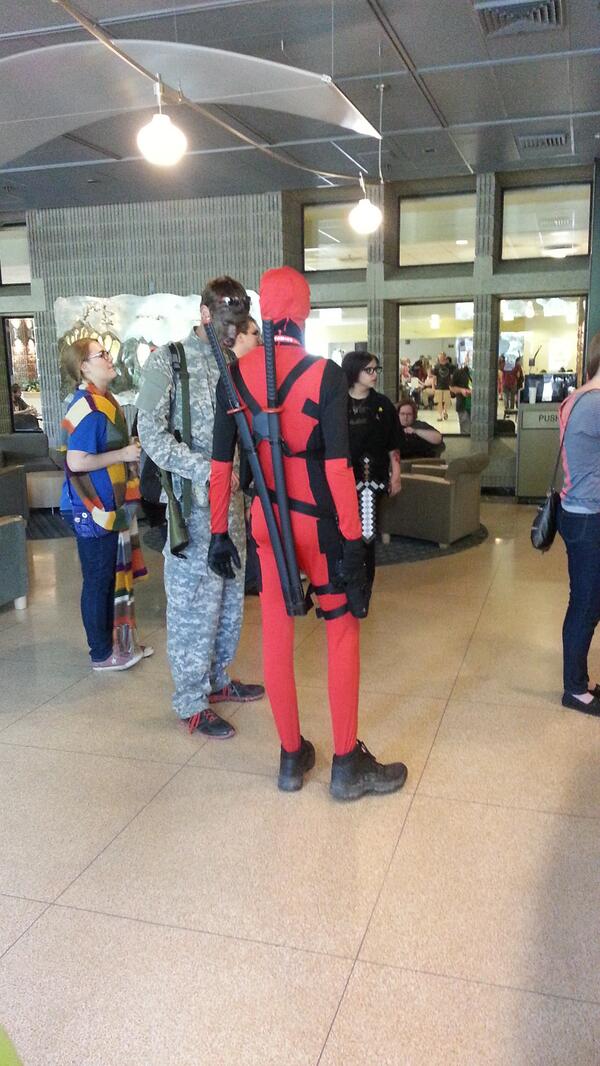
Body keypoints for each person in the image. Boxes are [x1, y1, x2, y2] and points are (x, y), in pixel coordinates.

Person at [208, 265, 407, 800]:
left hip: (267, 530)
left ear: (262, 313)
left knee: (276, 634)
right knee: (341, 632)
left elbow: (220, 468)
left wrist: (216, 534)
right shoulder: (324, 376)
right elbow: (340, 468)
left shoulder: (234, 376)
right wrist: (351, 541)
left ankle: (291, 756)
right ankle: (346, 764)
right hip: (321, 527)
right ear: (304, 313)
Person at [137, 276, 264, 738]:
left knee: (230, 599)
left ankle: (217, 681)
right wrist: (204, 468)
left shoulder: (232, 362)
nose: (233, 336)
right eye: (227, 326)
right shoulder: (168, 362)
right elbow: (150, 434)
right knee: (194, 607)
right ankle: (191, 700)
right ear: (205, 315)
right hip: (191, 509)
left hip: (230, 507)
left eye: (239, 327)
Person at [59, 337, 149, 672]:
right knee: (98, 579)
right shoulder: (87, 407)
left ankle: (119, 644)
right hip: (88, 507)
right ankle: (101, 654)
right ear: (84, 366)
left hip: (107, 507)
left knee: (110, 576)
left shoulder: (104, 400)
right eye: (101, 354)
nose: (109, 359)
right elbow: (78, 461)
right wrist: (123, 454)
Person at [557, 331, 600, 717]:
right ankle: (575, 689)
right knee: (586, 602)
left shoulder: (577, 398)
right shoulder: (597, 404)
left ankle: (579, 681)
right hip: (588, 516)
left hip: (577, 511)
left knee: (588, 600)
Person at [342, 349, 401, 588]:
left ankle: (365, 583)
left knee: (367, 533)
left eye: (376, 369)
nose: (374, 374)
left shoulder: (382, 405)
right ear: (354, 371)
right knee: (343, 530)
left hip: (371, 481)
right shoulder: (338, 402)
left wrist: (396, 475)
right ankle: (344, 578)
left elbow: (393, 443)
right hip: (342, 478)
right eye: (369, 370)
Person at [450, 357, 472, 435]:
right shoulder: (460, 372)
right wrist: (461, 390)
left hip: (479, 408)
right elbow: (452, 387)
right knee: (466, 432)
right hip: (464, 406)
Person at [432, 352, 452, 421]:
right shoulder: (436, 366)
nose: (440, 359)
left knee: (447, 401)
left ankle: (445, 412)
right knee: (439, 402)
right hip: (439, 387)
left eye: (441, 357)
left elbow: (452, 376)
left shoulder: (449, 366)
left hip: (447, 386)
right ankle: (440, 416)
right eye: (439, 357)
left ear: (444, 357)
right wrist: (433, 386)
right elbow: (434, 377)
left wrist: (452, 385)